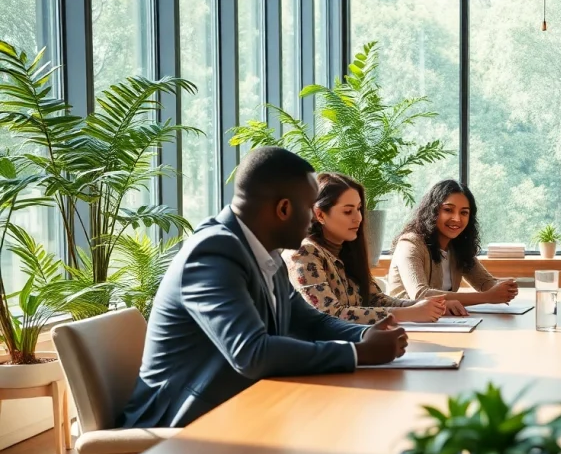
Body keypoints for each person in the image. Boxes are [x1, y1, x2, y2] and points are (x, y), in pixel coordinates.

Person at [118, 147, 408, 429]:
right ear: (283, 209)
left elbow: (311, 321)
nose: (312, 220)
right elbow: (252, 352)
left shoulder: (268, 255)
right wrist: (359, 353)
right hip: (182, 420)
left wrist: (365, 334)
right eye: (309, 208)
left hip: (242, 408)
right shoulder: (212, 253)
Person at [286, 173, 447, 324]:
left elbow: (374, 299)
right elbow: (328, 314)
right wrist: (408, 313)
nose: (358, 218)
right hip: (322, 350)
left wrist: (422, 305)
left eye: (358, 209)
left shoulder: (348, 250)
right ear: (320, 215)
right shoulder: (303, 252)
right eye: (348, 211)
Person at [388, 180, 518, 315]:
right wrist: (488, 297)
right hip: (405, 324)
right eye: (448, 210)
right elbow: (420, 294)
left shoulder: (457, 246)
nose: (457, 218)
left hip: (444, 323)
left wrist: (505, 287)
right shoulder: (410, 243)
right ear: (432, 211)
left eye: (464, 213)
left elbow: (485, 283)